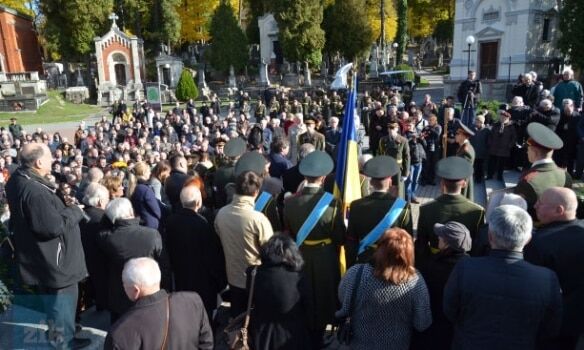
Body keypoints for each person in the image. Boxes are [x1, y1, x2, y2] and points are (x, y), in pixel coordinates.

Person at [5, 143, 90, 348]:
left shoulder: (17, 179)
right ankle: (64, 340)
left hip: (42, 256)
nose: (53, 160)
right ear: (39, 162)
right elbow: (51, 227)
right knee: (62, 299)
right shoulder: (35, 191)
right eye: (50, 157)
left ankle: (62, 329)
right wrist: (75, 211)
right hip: (55, 260)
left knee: (54, 300)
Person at [443, 205, 563, 349]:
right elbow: (551, 328)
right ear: (528, 239)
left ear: (490, 236)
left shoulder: (465, 267)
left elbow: (450, 310)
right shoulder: (547, 279)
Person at [283, 150, 345, 348]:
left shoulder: (290, 203)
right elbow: (340, 237)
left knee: (304, 297)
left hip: (299, 257)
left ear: (304, 176)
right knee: (326, 297)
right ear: (324, 177)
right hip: (326, 257)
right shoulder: (332, 203)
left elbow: (288, 234)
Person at [337, 228, 431, 350]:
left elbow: (343, 300)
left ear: (379, 247)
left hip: (359, 344)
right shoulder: (415, 281)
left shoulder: (356, 273)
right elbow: (422, 323)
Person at [104, 258, 213, 350]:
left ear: (136, 290)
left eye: (124, 284)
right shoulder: (192, 300)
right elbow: (207, 343)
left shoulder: (119, 334)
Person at [525, 187, 584, 349]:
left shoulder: (540, 244)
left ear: (559, 210)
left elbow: (532, 290)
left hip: (551, 325)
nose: (535, 205)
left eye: (541, 203)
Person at [98, 198, 170, 322]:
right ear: (131, 212)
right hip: (149, 292)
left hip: (121, 297)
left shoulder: (109, 239)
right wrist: (166, 288)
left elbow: (102, 229)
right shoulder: (152, 235)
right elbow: (164, 265)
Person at [214, 170, 274, 317]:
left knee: (236, 318)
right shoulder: (258, 219)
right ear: (256, 192)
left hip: (233, 276)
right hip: (255, 280)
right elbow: (270, 251)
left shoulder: (221, 214)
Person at [165, 185, 226, 318]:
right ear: (198, 202)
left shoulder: (170, 222)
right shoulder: (203, 224)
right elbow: (212, 257)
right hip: (203, 283)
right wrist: (221, 283)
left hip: (181, 279)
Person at [413, 221, 471, 350]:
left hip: (433, 328)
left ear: (447, 244)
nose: (438, 237)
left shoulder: (431, 266)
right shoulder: (472, 267)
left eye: (441, 236)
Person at [346, 156, 413, 266]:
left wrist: (351, 267)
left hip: (363, 262)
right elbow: (407, 242)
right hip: (391, 263)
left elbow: (351, 241)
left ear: (371, 182)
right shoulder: (403, 207)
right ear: (390, 181)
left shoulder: (356, 205)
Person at [248, 235, 312, 350]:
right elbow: (308, 307)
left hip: (261, 335)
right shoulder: (299, 277)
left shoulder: (253, 273)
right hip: (292, 336)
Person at [416, 157, 485, 261]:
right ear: (464, 184)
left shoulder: (426, 209)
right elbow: (477, 245)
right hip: (464, 263)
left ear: (442, 183)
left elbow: (421, 244)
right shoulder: (477, 211)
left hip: (434, 262)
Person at [514, 122, 572, 218]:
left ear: (534, 152)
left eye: (528, 149)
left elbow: (517, 214)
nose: (527, 151)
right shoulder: (566, 175)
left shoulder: (528, 181)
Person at [80, 183, 110, 311]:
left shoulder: (80, 214)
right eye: (107, 198)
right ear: (99, 201)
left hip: (84, 259)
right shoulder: (104, 218)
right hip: (101, 260)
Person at [378, 121, 410, 199]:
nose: (391, 130)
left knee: (398, 190)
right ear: (388, 129)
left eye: (393, 128)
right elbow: (380, 155)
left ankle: (398, 206)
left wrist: (405, 173)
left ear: (397, 129)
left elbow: (407, 157)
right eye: (390, 128)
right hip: (386, 169)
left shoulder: (403, 140)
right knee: (386, 188)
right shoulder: (383, 140)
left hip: (398, 169)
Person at [130, 161, 161, 229]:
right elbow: (156, 210)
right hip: (151, 224)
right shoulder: (145, 189)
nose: (150, 173)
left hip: (140, 222)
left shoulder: (134, 186)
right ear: (144, 173)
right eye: (149, 171)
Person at [487, 110, 516, 181]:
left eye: (504, 118)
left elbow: (513, 138)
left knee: (501, 164)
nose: (502, 119)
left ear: (508, 119)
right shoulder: (496, 125)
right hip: (494, 147)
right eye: (501, 117)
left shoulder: (511, 127)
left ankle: (499, 176)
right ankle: (490, 175)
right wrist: (490, 143)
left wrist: (509, 145)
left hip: (504, 148)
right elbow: (490, 135)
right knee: (491, 162)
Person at [455, 122, 475, 201]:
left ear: (463, 136)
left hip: (462, 182)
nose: (455, 135)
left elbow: (464, 171)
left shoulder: (466, 151)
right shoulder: (464, 146)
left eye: (457, 134)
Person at [470, 114, 489, 183]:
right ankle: (474, 177)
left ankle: (479, 179)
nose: (476, 122)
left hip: (482, 151)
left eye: (477, 121)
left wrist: (486, 150)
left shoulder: (487, 130)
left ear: (481, 122)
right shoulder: (472, 128)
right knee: (474, 164)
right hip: (474, 150)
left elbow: (488, 141)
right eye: (476, 121)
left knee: (480, 166)